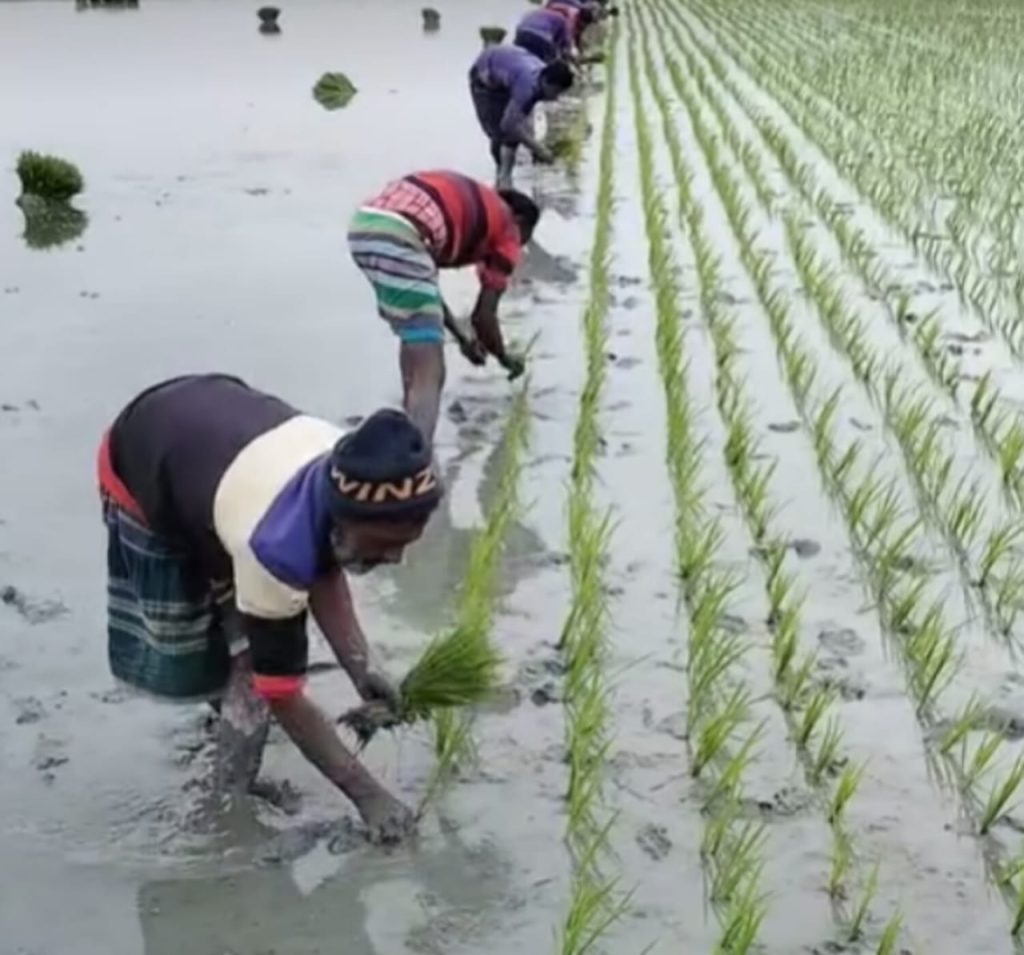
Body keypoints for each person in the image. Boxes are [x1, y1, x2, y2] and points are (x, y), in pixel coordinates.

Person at [97, 373, 443, 843]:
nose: (395, 559)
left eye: (405, 545)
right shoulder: (274, 543)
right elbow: (281, 691)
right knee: (232, 665)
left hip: (214, 437)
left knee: (254, 647)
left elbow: (325, 563)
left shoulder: (357, 463)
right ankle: (227, 801)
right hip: (144, 463)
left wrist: (361, 666)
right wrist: (368, 796)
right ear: (342, 520)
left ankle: (233, 761)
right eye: (385, 545)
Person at [347, 170, 541, 445]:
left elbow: (426, 292)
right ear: (521, 222)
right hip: (402, 233)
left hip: (365, 226)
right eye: (524, 240)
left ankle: (411, 427)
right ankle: (417, 462)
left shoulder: (474, 206)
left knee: (416, 334)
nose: (516, 249)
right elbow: (484, 317)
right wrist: (505, 357)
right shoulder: (508, 227)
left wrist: (463, 339)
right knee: (430, 368)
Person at [468, 44, 574, 189]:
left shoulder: (540, 77)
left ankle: (505, 178)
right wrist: (538, 149)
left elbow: (522, 119)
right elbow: (509, 124)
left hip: (506, 71)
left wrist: (532, 144)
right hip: (485, 75)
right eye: (556, 92)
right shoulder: (528, 86)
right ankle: (502, 180)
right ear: (547, 83)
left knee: (516, 130)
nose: (556, 97)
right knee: (499, 130)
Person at [513, 7, 578, 65]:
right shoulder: (561, 18)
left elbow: (519, 26)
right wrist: (570, 56)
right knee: (544, 63)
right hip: (540, 39)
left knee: (517, 57)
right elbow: (565, 42)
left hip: (522, 34)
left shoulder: (533, 12)